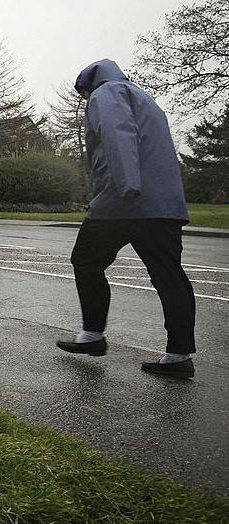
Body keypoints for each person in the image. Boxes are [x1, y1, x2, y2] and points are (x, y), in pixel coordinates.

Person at [55, 59, 196, 379]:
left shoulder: (106, 94)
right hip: (163, 205)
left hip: (122, 201)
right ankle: (179, 356)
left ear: (89, 85)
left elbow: (119, 134)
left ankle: (92, 335)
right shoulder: (145, 99)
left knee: (85, 260)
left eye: (83, 94)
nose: (84, 100)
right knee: (169, 275)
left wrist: (127, 183)